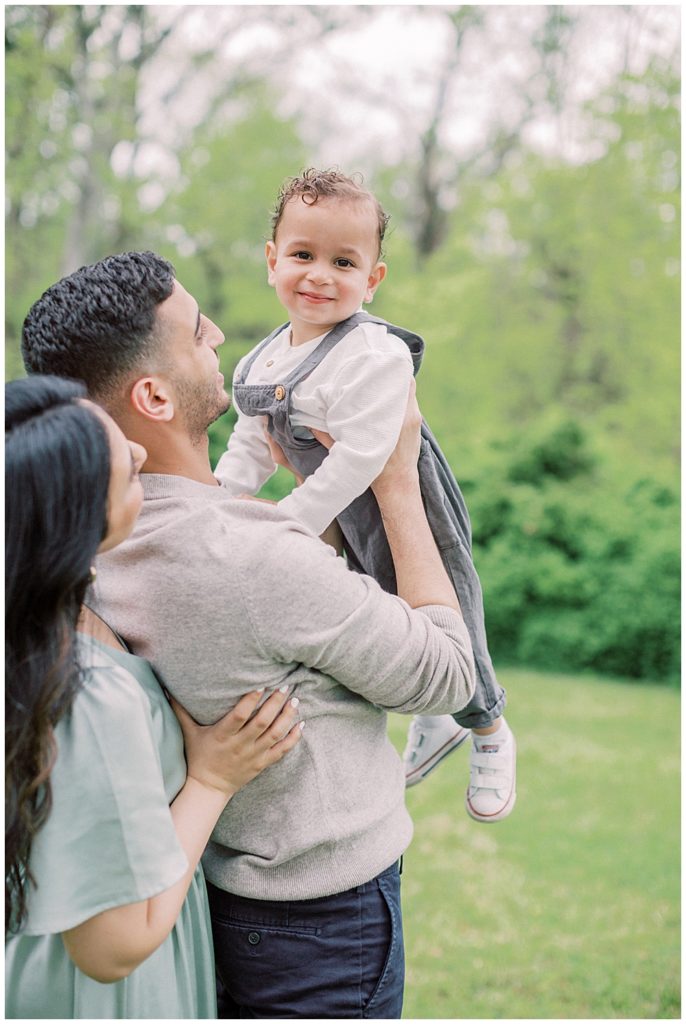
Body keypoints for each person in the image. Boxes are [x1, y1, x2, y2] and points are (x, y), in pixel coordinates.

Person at [21, 250, 476, 1019]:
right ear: (154, 395)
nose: (222, 336)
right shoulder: (247, 557)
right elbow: (446, 673)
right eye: (200, 334)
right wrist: (396, 480)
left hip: (212, 897)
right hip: (323, 923)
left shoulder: (88, 546)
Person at [214, 167, 516, 822]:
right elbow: (248, 443)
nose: (320, 275)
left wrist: (289, 521)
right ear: (272, 261)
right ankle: (439, 716)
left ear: (372, 279)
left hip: (401, 498)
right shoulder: (261, 362)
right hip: (334, 516)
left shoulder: (373, 354)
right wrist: (216, 503)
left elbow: (361, 459)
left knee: (449, 605)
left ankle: (488, 726)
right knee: (384, 623)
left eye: (343, 262)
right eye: (302, 255)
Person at [5, 374, 303, 1019]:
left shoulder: (35, 630)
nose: (139, 451)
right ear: (72, 516)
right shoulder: (83, 694)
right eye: (119, 461)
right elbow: (112, 947)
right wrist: (213, 780)